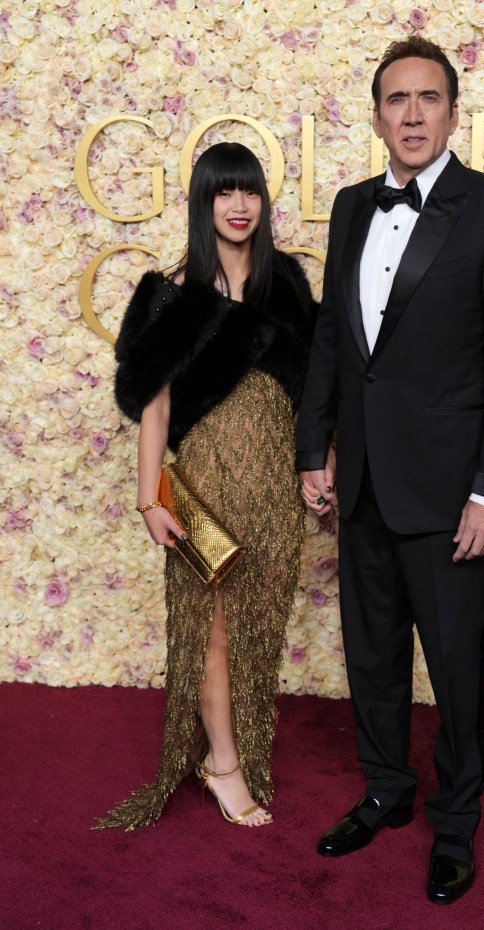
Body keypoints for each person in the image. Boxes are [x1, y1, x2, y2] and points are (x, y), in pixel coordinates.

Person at [296, 36, 484, 902]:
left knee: (457, 666)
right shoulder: (351, 206)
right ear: (375, 114)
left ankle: (455, 823)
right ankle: (384, 791)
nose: (410, 114)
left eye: (427, 98)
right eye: (395, 99)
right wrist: (312, 452)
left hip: (450, 494)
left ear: (451, 111)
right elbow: (334, 342)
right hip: (360, 481)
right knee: (372, 658)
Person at [98, 142, 315, 831]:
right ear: (204, 202)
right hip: (201, 486)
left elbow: (316, 391)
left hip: (275, 488)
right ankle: (223, 764)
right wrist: (148, 498)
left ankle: (233, 748)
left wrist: (322, 465)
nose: (239, 205)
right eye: (224, 192)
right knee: (213, 630)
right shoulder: (174, 293)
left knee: (259, 623)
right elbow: (155, 406)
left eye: (249, 191)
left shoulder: (287, 285)